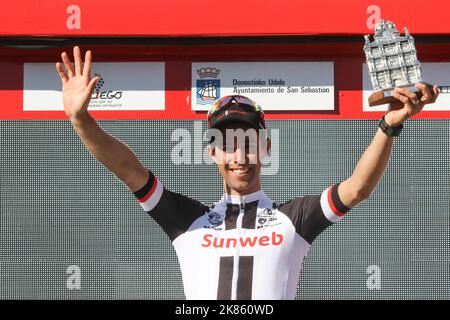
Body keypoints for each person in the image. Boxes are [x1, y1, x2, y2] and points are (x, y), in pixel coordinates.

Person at [56, 46, 439, 300]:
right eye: (228, 144)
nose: (240, 155)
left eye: (249, 142)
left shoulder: (293, 219)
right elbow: (127, 168)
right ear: (212, 153)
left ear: (266, 149)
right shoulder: (187, 220)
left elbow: (357, 189)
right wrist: (80, 119)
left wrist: (389, 126)